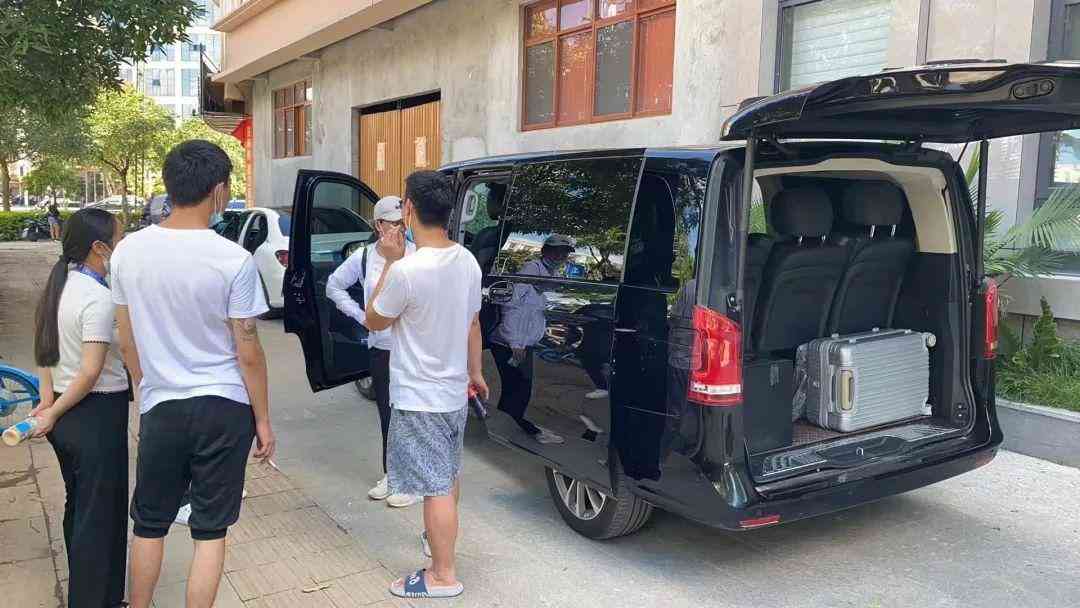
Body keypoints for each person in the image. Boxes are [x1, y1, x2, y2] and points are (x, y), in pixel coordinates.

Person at [111, 140, 275, 608]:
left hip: (162, 405)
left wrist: (147, 390)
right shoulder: (233, 259)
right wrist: (263, 420)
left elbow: (126, 339)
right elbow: (248, 351)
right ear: (219, 190)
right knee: (209, 530)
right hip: (224, 408)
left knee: (149, 524)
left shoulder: (128, 252)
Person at [365, 170, 486, 600]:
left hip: (420, 397)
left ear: (410, 209)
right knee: (447, 477)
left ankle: (442, 576)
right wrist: (476, 372)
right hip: (453, 393)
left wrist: (390, 261)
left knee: (435, 488)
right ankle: (439, 548)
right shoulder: (467, 261)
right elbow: (473, 323)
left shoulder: (406, 271)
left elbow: (374, 320)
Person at [29, 208, 128, 608]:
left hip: (65, 413)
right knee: (99, 516)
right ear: (99, 248)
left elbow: (44, 349)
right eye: (118, 240)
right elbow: (90, 371)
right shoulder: (98, 298)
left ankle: (101, 596)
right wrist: (50, 411)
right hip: (96, 414)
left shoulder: (59, 287)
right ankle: (92, 599)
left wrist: (47, 400)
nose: (121, 247)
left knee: (82, 508)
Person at [326, 195, 418, 508]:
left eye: (402, 223)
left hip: (413, 348)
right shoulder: (365, 256)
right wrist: (360, 316)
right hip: (382, 347)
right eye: (392, 223)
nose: (399, 229)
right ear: (378, 225)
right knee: (388, 413)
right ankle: (392, 473)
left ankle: (412, 480)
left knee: (412, 413)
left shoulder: (417, 254)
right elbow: (334, 286)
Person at [489, 235, 575, 445]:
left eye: (564, 252)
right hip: (509, 343)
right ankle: (512, 430)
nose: (560, 256)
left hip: (522, 343)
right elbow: (512, 307)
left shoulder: (551, 275)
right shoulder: (532, 269)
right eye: (556, 251)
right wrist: (515, 343)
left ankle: (507, 429)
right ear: (545, 251)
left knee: (518, 389)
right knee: (518, 389)